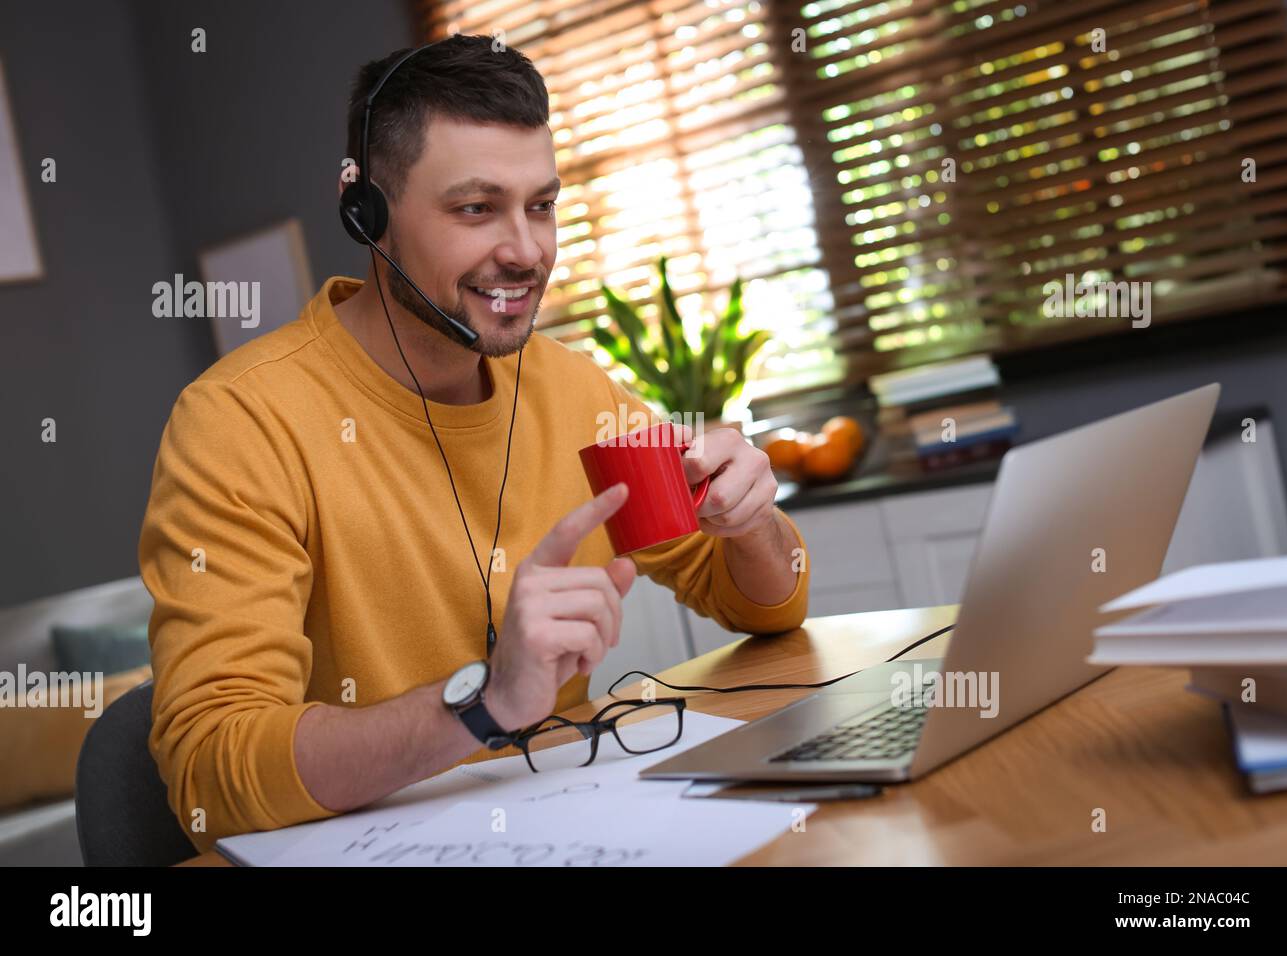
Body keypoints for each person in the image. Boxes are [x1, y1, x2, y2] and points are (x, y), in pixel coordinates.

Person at [139, 34, 809, 853]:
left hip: (573, 835)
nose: (526, 251)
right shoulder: (240, 422)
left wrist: (752, 522)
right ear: (367, 215)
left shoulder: (572, 387)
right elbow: (211, 774)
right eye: (475, 209)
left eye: (541, 204)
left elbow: (759, 601)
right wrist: (484, 702)